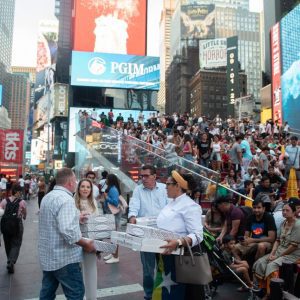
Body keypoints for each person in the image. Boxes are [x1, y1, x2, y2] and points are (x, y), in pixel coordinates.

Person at [38, 168, 96, 300]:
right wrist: (85, 243)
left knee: (46, 294)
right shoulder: (66, 200)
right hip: (65, 259)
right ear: (70, 182)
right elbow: (67, 230)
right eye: (75, 181)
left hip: (48, 257)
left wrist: (76, 218)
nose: (76, 183)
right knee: (75, 294)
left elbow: (54, 222)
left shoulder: (47, 197)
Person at [152, 170, 204, 299]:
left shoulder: (190, 206)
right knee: (165, 292)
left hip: (180, 257)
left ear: (178, 186)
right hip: (165, 254)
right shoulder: (171, 202)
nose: (165, 186)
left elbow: (198, 235)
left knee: (176, 293)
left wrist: (179, 242)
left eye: (168, 184)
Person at [128, 165, 169, 300]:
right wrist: (132, 216)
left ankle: (164, 294)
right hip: (145, 235)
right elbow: (134, 206)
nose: (143, 179)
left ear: (154, 176)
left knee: (165, 267)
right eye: (141, 176)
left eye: (146, 176)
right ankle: (149, 295)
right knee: (148, 270)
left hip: (164, 234)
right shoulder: (138, 190)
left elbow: (170, 207)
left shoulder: (164, 188)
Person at [253, 201, 300, 299]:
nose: (284, 212)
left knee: (271, 266)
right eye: (283, 210)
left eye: (287, 210)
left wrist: (277, 257)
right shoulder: (284, 222)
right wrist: (273, 253)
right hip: (279, 251)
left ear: (294, 212)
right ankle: (261, 288)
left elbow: (293, 246)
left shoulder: (298, 225)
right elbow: (277, 240)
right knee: (259, 263)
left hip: (292, 254)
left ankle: (270, 294)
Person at [74, 178, 99, 300]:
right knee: (77, 273)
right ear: (78, 188)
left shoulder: (94, 202)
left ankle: (91, 297)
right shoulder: (72, 202)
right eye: (82, 186)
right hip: (76, 242)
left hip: (91, 242)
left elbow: (97, 222)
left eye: (88, 187)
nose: (85, 189)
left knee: (91, 270)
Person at [0, 184, 26, 273]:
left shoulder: (4, 201)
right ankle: (11, 261)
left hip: (5, 225)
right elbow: (25, 215)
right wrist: (23, 215)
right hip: (17, 225)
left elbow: (1, 211)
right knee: (16, 243)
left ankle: (9, 260)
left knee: (7, 244)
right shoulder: (22, 202)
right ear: (18, 192)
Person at [103, 173, 122, 264]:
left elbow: (115, 202)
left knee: (115, 236)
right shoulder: (111, 188)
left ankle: (116, 256)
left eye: (107, 178)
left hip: (114, 215)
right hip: (111, 215)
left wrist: (107, 198)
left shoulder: (113, 189)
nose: (105, 180)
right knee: (112, 235)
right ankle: (112, 253)